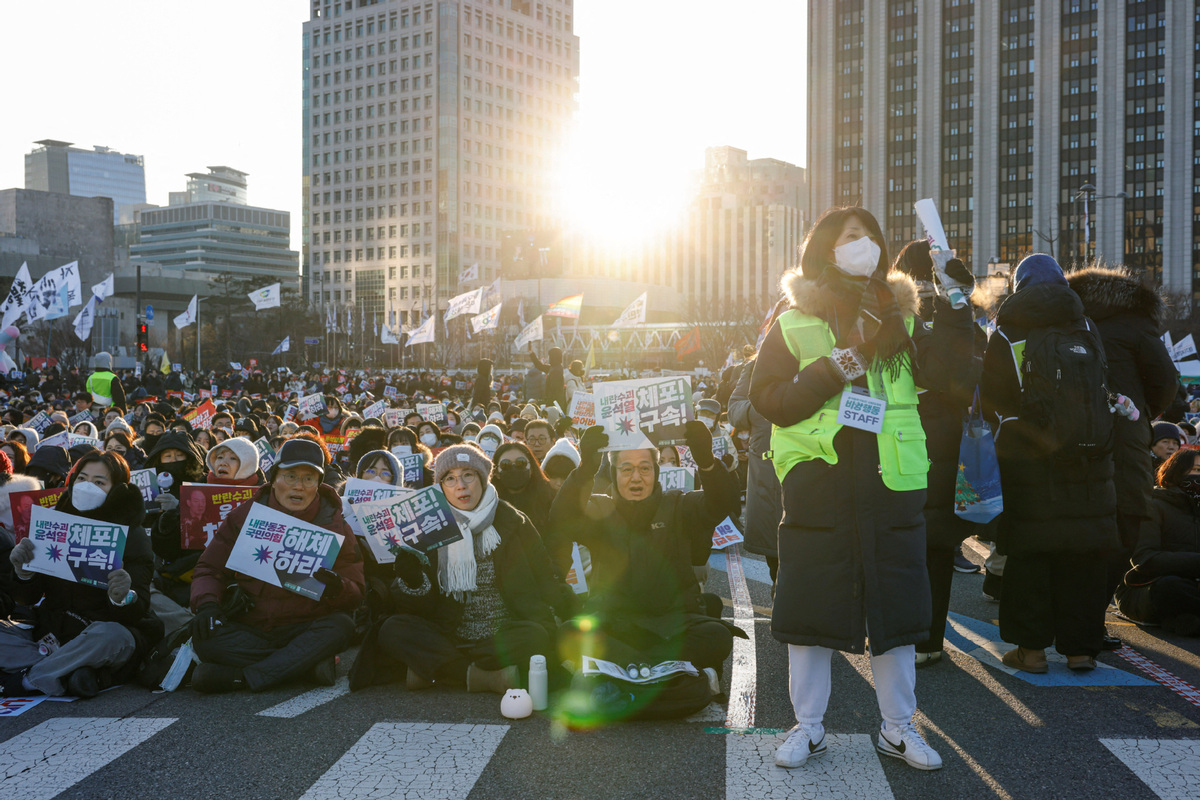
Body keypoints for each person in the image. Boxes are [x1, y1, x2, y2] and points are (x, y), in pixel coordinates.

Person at [749, 206, 962, 771]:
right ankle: (809, 727)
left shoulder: (906, 319)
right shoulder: (793, 322)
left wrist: (959, 305)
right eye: (850, 237)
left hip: (892, 483)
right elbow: (767, 398)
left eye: (869, 236)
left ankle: (899, 728)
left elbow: (954, 377)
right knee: (810, 614)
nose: (862, 244)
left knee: (894, 616)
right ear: (825, 249)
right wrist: (830, 368)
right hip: (821, 483)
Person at [980, 254, 1119, 675]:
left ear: (1019, 286)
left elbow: (991, 396)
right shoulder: (1086, 325)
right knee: (1084, 556)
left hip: (1030, 458)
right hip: (1091, 460)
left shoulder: (1008, 330)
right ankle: (1080, 651)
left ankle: (1032, 651)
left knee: (1030, 554)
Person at [352, 444, 567, 693]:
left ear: (483, 479)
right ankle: (482, 676)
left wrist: (563, 609)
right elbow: (418, 606)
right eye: (450, 478)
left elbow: (544, 574)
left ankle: (440, 671)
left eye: (468, 475)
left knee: (536, 634)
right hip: (449, 632)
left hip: (503, 634)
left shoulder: (513, 520)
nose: (460, 486)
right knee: (392, 629)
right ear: (441, 486)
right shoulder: (426, 524)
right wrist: (412, 580)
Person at [549, 422, 742, 693]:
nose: (636, 477)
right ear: (614, 473)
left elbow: (722, 502)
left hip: (672, 624)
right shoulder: (600, 509)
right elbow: (561, 519)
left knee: (718, 636)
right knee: (570, 633)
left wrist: (706, 461)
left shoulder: (679, 505)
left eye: (644, 468)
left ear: (656, 471)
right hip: (615, 626)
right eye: (626, 469)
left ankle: (624, 674)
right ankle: (669, 673)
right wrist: (584, 471)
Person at [187, 438, 364, 692]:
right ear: (274, 479)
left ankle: (242, 678)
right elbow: (209, 569)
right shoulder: (244, 516)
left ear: (318, 484)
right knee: (205, 638)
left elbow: (356, 592)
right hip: (251, 627)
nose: (299, 487)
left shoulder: (335, 524)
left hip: (305, 627)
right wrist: (207, 605)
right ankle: (303, 665)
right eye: (290, 476)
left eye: (308, 478)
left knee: (341, 627)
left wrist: (338, 587)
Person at [1066, 265, 1178, 647]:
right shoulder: (1136, 323)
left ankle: (1066, 618)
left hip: (1067, 438)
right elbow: (1164, 379)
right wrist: (1145, 415)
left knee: (1074, 525)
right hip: (1124, 436)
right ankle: (1089, 622)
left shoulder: (1066, 319)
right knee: (1125, 522)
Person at [890, 239, 986, 666]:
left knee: (898, 546)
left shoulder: (888, 319)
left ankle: (902, 638)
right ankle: (926, 641)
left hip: (896, 445)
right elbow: (968, 370)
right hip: (939, 442)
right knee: (932, 549)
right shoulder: (944, 315)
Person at [2, 451, 161, 698]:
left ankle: (27, 680)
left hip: (101, 632)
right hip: (54, 631)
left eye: (99, 482)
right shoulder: (54, 525)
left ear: (117, 489)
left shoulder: (132, 534)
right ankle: (69, 672)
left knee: (110, 637)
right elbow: (29, 597)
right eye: (82, 479)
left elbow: (138, 607)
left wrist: (122, 596)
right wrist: (23, 573)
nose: (87, 487)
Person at [1115, 448, 1200, 635]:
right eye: (1196, 470)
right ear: (1177, 471)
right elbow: (1144, 560)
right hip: (1146, 587)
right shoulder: (1153, 504)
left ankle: (1186, 622)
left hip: (1193, 586)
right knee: (1170, 586)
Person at [494, 442, 558, 538]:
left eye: (521, 462)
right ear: (496, 473)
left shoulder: (551, 500)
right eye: (505, 464)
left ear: (531, 468)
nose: (514, 468)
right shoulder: (489, 505)